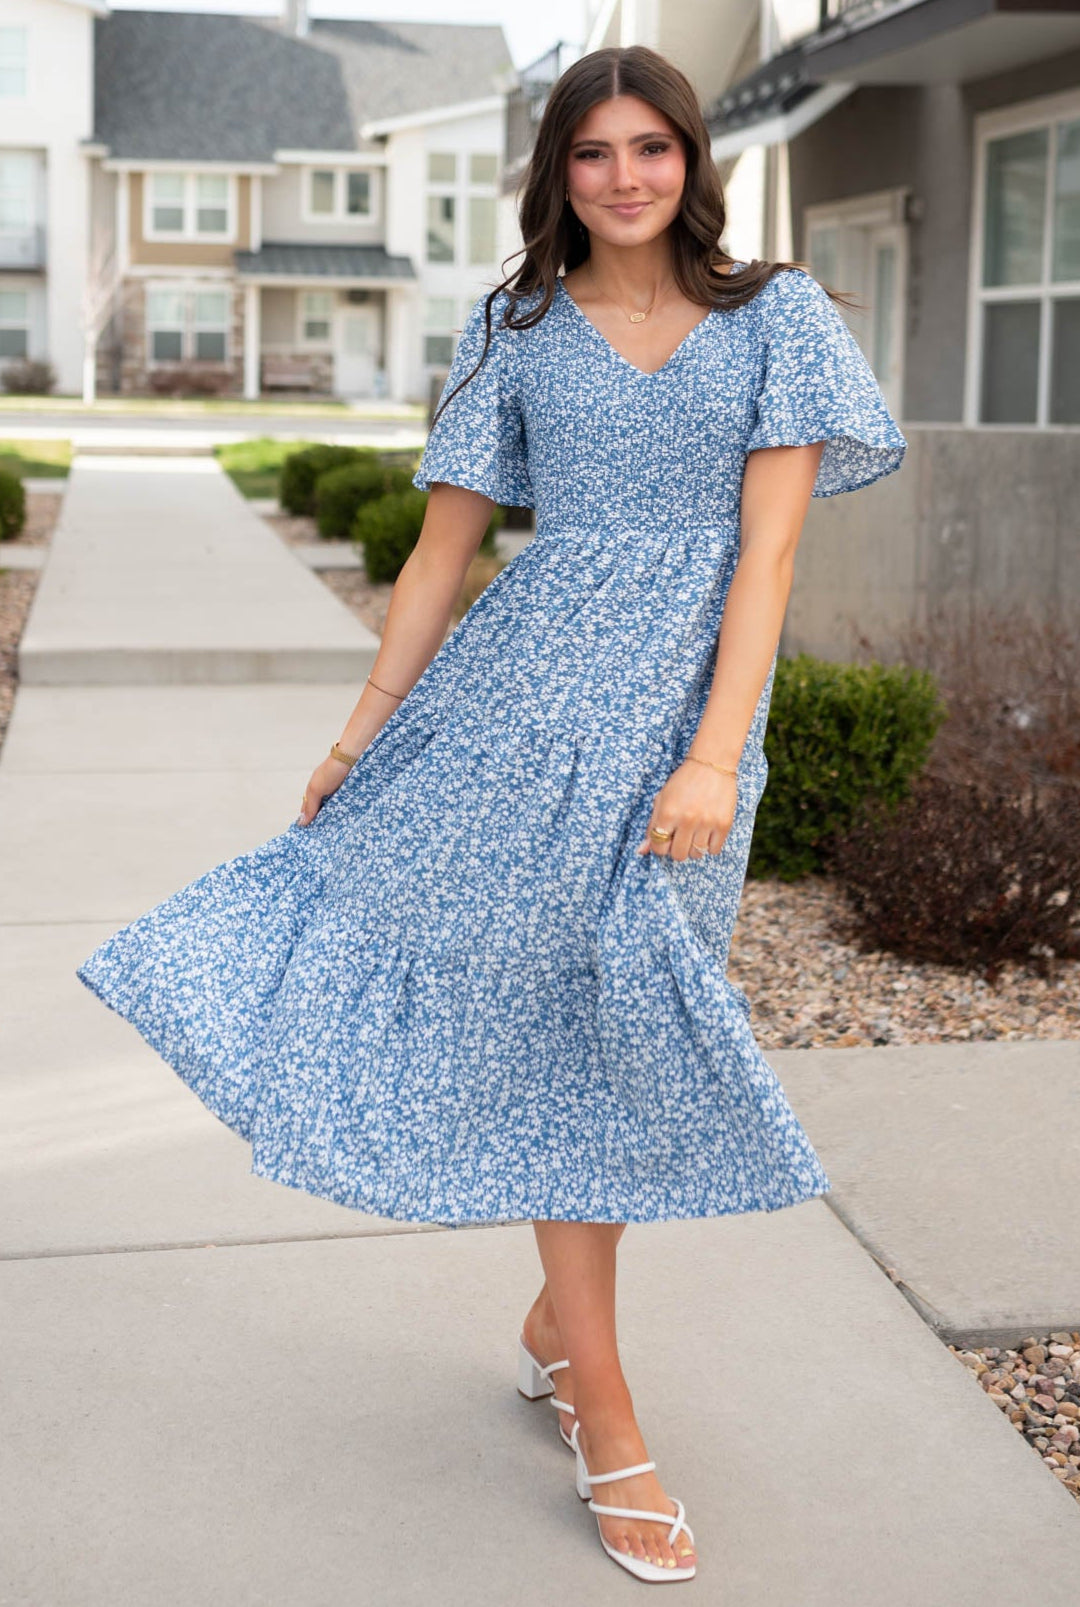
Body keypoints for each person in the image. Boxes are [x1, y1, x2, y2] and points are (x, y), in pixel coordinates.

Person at [77, 43, 906, 1586]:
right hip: (510, 723)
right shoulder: (515, 324)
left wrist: (717, 759)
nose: (624, 179)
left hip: (682, 741)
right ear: (557, 173)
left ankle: (553, 1327)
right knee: (551, 1036)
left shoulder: (775, 319)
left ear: (691, 159)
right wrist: (358, 732)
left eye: (651, 148)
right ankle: (605, 1407)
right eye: (591, 154)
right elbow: (439, 556)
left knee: (628, 1023)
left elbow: (772, 565)